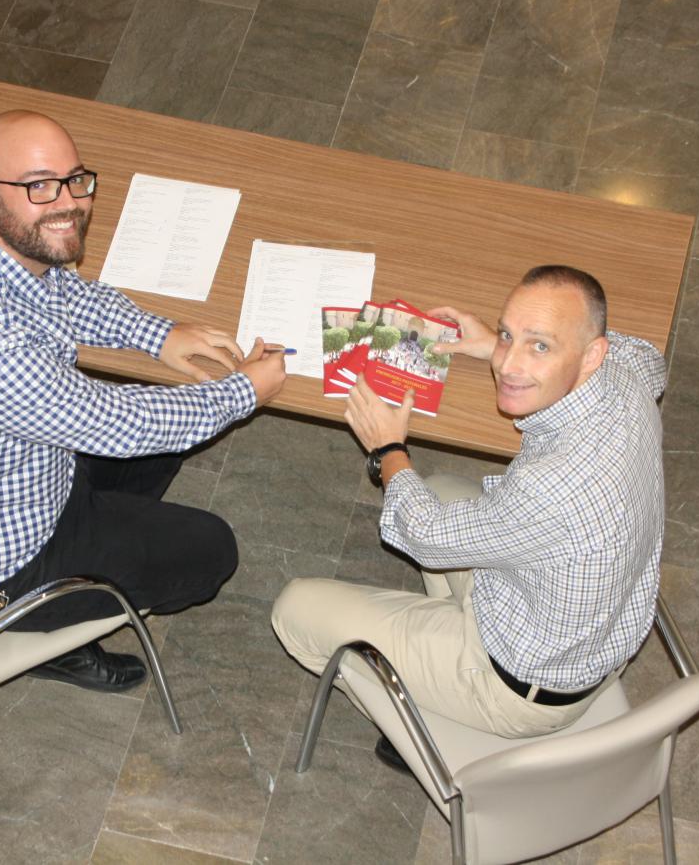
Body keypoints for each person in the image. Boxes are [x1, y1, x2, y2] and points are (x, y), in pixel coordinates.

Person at [0, 110, 287, 692]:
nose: (67, 203)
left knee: (170, 427)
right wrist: (245, 392)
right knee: (212, 550)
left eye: (74, 180)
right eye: (39, 186)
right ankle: (32, 635)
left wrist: (157, 334)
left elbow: (59, 292)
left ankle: (107, 537)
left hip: (8, 477)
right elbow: (120, 424)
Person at [271, 265, 666, 761]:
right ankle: (436, 656)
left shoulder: (552, 489)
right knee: (436, 489)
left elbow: (425, 535)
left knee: (294, 609)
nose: (509, 364)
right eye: (508, 336)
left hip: (520, 686)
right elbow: (652, 359)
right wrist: (497, 347)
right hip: (579, 628)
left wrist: (388, 449)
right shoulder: (625, 376)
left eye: (540, 347)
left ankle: (421, 729)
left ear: (591, 356)